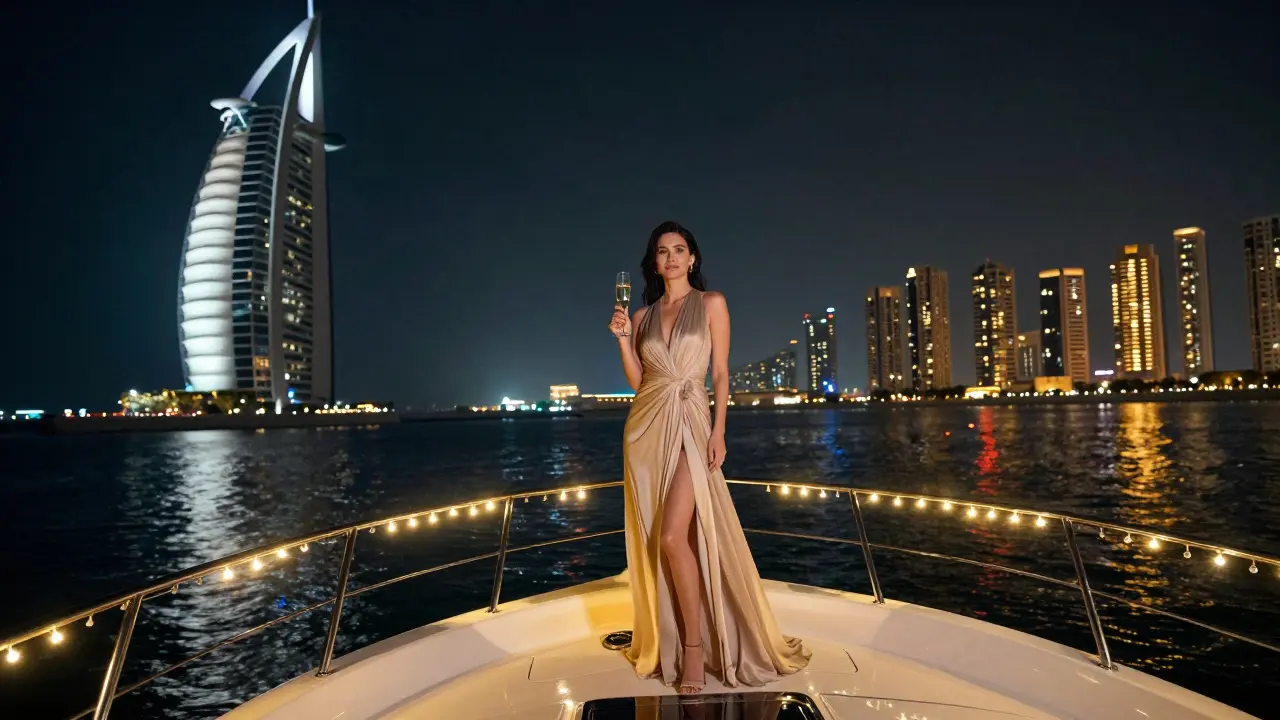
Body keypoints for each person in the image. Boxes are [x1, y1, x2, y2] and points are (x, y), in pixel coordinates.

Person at [608, 221, 810, 694]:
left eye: (679, 250)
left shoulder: (712, 303)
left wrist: (719, 430)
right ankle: (675, 639)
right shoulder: (642, 316)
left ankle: (695, 649)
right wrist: (622, 338)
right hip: (646, 428)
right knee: (661, 535)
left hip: (693, 421)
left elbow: (720, 373)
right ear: (654, 262)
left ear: (693, 257)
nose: (671, 258)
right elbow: (640, 383)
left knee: (674, 535)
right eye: (662, 252)